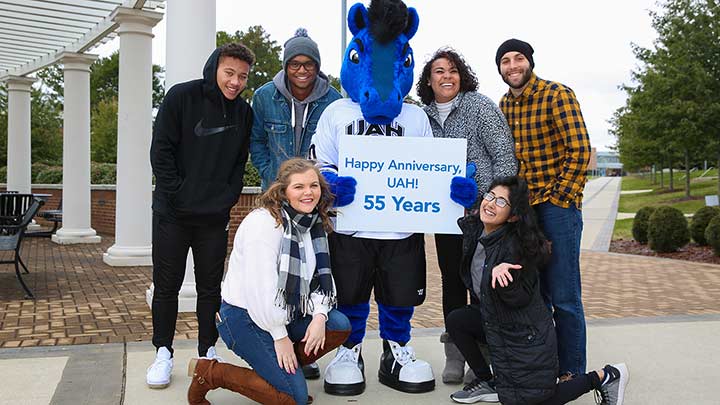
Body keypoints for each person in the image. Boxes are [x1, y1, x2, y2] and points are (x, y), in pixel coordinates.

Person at [447, 176, 629, 405]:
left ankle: (606, 376)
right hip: (502, 326)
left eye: (501, 202)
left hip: (526, 340)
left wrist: (506, 276)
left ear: (513, 216)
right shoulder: (477, 232)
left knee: (531, 402)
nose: (491, 203)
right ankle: (488, 381)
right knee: (457, 320)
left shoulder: (516, 246)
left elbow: (518, 297)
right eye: (490, 196)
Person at [187, 158, 352, 405]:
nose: (308, 192)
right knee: (292, 399)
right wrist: (280, 337)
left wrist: (319, 317)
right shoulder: (262, 225)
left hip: (283, 313)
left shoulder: (312, 224)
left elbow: (320, 280)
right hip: (243, 318)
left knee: (337, 324)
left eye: (314, 185)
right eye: (299, 187)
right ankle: (210, 373)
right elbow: (260, 291)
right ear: (282, 191)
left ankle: (283, 373)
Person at [147, 42, 255, 389]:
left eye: (242, 76)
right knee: (167, 286)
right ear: (214, 68)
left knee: (211, 288)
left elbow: (239, 163)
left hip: (213, 218)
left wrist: (226, 199)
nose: (235, 82)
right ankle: (163, 352)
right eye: (229, 73)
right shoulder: (181, 98)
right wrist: (178, 195)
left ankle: (208, 351)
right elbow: (160, 152)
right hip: (172, 215)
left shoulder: (244, 113)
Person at [417, 47, 517, 384]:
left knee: (482, 284)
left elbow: (504, 157)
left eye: (453, 70)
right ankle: (456, 352)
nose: (447, 76)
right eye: (439, 71)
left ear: (462, 75)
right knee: (452, 281)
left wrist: (491, 199)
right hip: (445, 218)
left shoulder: (480, 106)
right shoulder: (421, 117)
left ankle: (486, 355)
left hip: (481, 216)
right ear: (428, 80)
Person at [496, 38, 592, 379]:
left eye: (518, 59)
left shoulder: (556, 94)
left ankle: (573, 373)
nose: (512, 66)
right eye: (505, 61)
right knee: (537, 297)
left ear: (530, 61)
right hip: (524, 214)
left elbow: (579, 150)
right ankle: (545, 368)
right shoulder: (503, 106)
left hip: (557, 210)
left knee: (565, 296)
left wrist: (559, 198)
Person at [250, 28, 342, 191]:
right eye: (295, 64)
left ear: (317, 66)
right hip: (275, 189)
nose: (301, 70)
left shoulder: (334, 101)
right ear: (286, 66)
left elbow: (339, 146)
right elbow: (256, 141)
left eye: (308, 64)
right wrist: (269, 172)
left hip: (315, 193)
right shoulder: (264, 96)